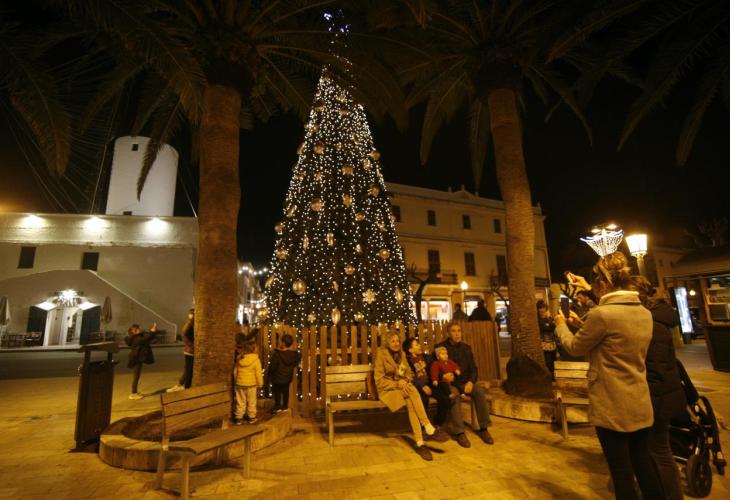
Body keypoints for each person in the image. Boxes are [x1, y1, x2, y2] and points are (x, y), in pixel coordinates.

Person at [554, 252, 663, 500]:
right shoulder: (644, 313)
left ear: (603, 284)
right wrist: (586, 296)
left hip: (612, 405)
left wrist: (561, 324)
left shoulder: (601, 316)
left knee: (621, 472)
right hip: (639, 401)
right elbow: (613, 337)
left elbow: (574, 347)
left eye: (595, 286)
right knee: (643, 464)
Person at [633, 276, 686, 500]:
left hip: (658, 400)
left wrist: (648, 408)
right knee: (656, 450)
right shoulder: (655, 318)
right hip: (661, 396)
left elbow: (655, 370)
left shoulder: (653, 324)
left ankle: (670, 496)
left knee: (659, 452)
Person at [374, 331, 439, 461]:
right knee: (412, 390)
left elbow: (409, 374)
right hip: (387, 390)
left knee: (410, 400)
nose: (396, 343)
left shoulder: (402, 354)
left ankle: (420, 442)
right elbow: (379, 381)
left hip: (403, 388)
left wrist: (406, 381)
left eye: (398, 341)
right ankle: (426, 425)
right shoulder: (381, 355)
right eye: (393, 341)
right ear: (387, 342)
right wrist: (398, 383)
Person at [436, 322, 494, 447]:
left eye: (459, 331)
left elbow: (474, 369)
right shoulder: (441, 348)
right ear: (448, 333)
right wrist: (443, 377)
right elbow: (434, 368)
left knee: (479, 392)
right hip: (450, 383)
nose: (457, 334)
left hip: (465, 382)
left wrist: (471, 382)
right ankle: (459, 431)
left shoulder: (466, 348)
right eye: (453, 331)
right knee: (454, 394)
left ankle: (484, 428)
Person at [403, 338, 451, 434]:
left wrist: (441, 376)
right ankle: (424, 427)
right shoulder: (407, 361)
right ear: (410, 350)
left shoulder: (426, 357)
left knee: (445, 399)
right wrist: (422, 386)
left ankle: (437, 423)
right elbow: (410, 376)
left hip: (430, 383)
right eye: (416, 344)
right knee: (423, 399)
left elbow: (434, 369)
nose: (420, 346)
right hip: (417, 387)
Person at [268, 333, 300, 413]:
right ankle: (285, 406)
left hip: (277, 377)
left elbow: (273, 366)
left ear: (283, 343)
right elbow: (296, 362)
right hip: (287, 377)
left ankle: (278, 405)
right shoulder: (293, 355)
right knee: (286, 391)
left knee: (277, 392)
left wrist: (270, 374)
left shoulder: (277, 354)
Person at [125, 323, 159, 400]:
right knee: (136, 376)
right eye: (139, 329)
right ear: (135, 331)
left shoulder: (136, 337)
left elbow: (147, 338)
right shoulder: (137, 339)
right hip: (136, 359)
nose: (141, 329)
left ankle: (135, 392)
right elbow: (146, 339)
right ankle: (133, 393)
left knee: (137, 376)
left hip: (137, 358)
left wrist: (153, 331)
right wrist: (152, 331)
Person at [234, 341, 263, 424]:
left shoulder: (240, 358)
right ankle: (251, 417)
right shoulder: (256, 360)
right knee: (252, 401)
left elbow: (235, 372)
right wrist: (260, 384)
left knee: (240, 401)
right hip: (251, 384)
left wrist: (236, 380)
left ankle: (239, 417)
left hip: (240, 383)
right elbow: (258, 374)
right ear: (253, 350)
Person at [167, 308, 195, 392]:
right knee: (189, 370)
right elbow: (184, 335)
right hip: (190, 351)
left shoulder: (192, 323)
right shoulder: (189, 323)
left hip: (190, 350)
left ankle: (180, 384)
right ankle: (186, 386)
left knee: (188, 369)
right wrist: (192, 345)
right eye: (194, 314)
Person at [537, 300, 557, 378]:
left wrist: (548, 322)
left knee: (553, 361)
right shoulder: (537, 319)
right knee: (547, 361)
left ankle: (552, 376)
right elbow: (543, 328)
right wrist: (548, 326)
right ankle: (548, 376)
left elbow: (553, 326)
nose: (542, 310)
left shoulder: (549, 318)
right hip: (543, 343)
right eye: (540, 308)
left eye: (543, 308)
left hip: (552, 342)